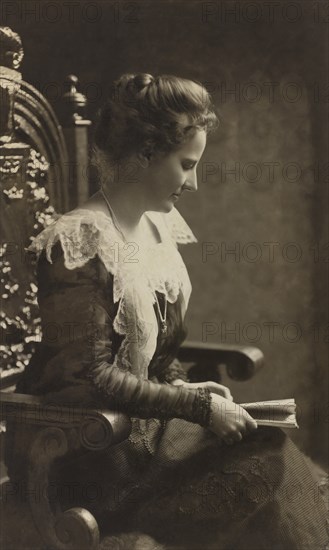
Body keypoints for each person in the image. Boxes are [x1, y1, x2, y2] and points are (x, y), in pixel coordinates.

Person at [8, 73, 328, 549]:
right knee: (266, 464)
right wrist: (197, 406)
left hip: (141, 432)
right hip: (83, 449)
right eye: (186, 165)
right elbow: (90, 378)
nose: (194, 183)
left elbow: (153, 349)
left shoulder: (157, 230)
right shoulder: (79, 241)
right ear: (145, 156)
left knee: (268, 447)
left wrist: (181, 383)